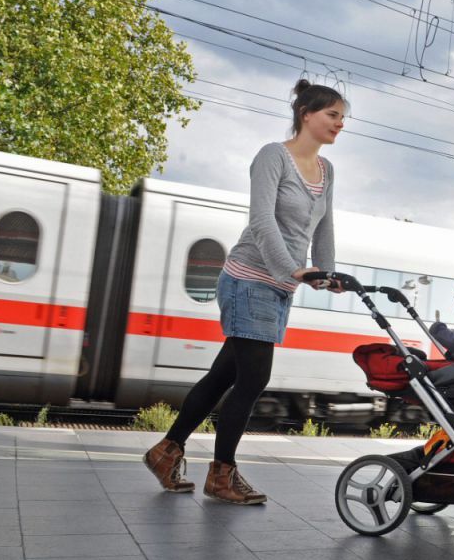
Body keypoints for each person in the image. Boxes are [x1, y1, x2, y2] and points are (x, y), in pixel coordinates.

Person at [143, 79, 346, 504]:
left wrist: (327, 273)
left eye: (343, 118)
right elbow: (261, 220)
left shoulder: (327, 172)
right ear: (306, 114)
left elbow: (324, 226)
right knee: (254, 377)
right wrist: (293, 268)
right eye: (332, 115)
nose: (339, 124)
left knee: (224, 376)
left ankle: (167, 450)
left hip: (279, 289)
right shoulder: (274, 156)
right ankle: (222, 475)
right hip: (249, 278)